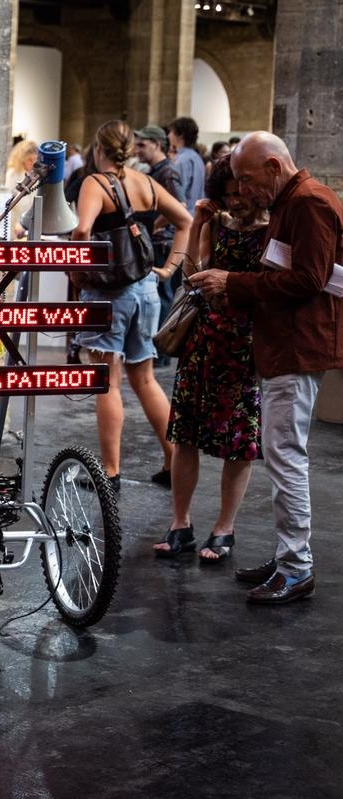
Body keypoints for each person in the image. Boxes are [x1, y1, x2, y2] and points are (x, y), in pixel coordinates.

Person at [189, 131, 343, 604]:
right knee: (281, 455)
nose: (244, 190)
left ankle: (296, 567)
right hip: (283, 345)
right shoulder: (292, 201)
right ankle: (288, 556)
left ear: (274, 167)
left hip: (296, 347)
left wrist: (233, 283)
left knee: (285, 457)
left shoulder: (309, 202)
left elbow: (309, 279)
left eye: (248, 179)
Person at [154, 156, 266, 561]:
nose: (235, 201)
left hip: (242, 344)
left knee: (238, 440)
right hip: (202, 340)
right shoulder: (217, 224)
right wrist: (199, 224)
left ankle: (224, 528)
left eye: (241, 193)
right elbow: (192, 276)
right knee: (185, 434)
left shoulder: (271, 231)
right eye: (228, 194)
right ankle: (180, 524)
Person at [71, 120, 192, 492]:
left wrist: (76, 274)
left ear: (99, 148)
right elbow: (186, 220)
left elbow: (82, 231)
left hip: (110, 293)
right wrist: (169, 269)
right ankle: (173, 461)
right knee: (145, 379)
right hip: (146, 289)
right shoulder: (146, 183)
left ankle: (110, 471)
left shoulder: (94, 183)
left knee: (108, 381)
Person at [134, 125, 186, 372]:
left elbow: (180, 205)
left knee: (162, 295)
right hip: (157, 241)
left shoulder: (167, 172)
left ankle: (161, 350)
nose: (137, 150)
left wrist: (155, 224)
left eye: (142, 145)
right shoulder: (156, 171)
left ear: (156, 145)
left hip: (163, 242)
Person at [167, 116, 205, 214]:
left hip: (185, 214)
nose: (168, 136)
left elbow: (178, 195)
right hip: (196, 213)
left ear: (181, 135)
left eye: (171, 132)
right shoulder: (196, 157)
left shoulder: (182, 160)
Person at [3, 139, 38, 239]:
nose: (33, 163)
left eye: (35, 160)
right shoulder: (12, 174)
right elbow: (7, 202)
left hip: (30, 223)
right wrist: (15, 223)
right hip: (15, 224)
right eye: (30, 160)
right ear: (22, 159)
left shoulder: (36, 176)